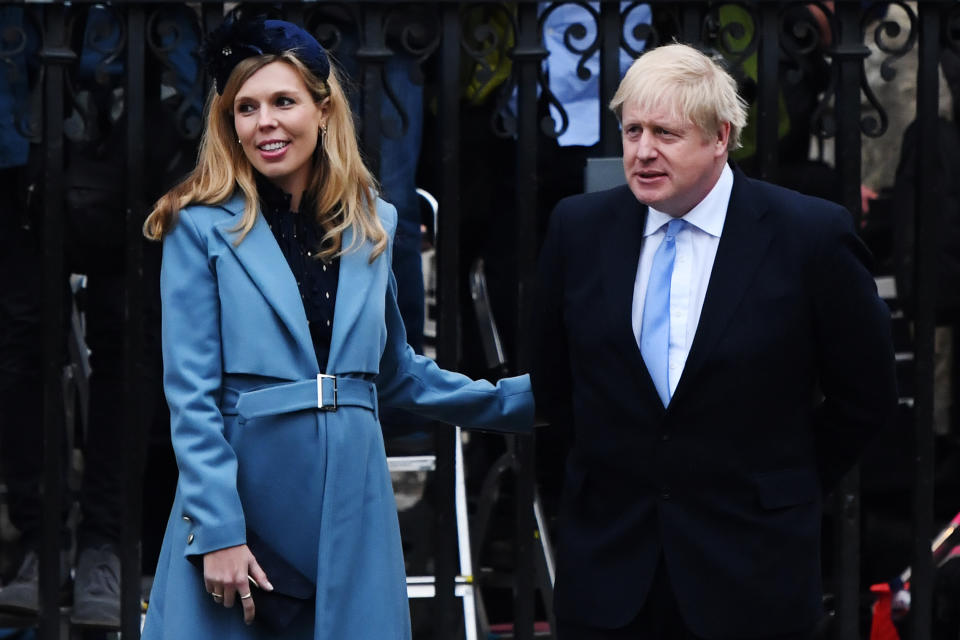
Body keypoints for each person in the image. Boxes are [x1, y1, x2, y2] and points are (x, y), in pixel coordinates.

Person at [139, 15, 533, 640]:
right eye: (246, 107)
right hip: (242, 505)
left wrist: (526, 400)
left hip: (353, 506)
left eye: (282, 101)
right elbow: (190, 396)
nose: (264, 121)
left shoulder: (373, 223)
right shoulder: (198, 225)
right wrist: (216, 531)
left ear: (323, 111)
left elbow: (399, 376)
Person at [532, 43, 897, 639]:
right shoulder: (579, 229)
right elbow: (555, 387)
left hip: (752, 570)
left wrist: (780, 483)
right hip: (611, 576)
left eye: (666, 134)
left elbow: (867, 395)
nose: (643, 151)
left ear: (721, 137)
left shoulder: (808, 236)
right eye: (632, 131)